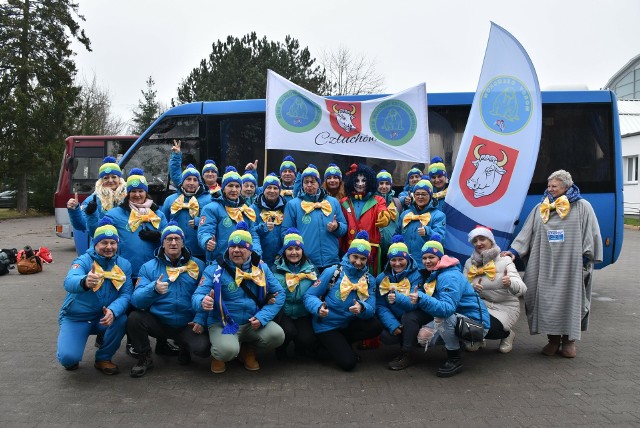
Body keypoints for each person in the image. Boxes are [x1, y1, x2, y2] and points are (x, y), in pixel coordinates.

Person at [503, 170, 602, 358]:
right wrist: (514, 252)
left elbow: (592, 234)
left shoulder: (583, 207)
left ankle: (569, 341)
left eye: (554, 186)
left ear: (566, 187)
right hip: (544, 264)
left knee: (571, 302)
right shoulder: (541, 207)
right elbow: (526, 233)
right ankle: (553, 340)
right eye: (548, 186)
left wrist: (584, 260)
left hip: (571, 267)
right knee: (546, 302)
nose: (550, 189)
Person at [193, 222, 285, 373]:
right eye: (232, 247)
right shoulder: (215, 269)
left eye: (241, 247)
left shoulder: (262, 268)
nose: (236, 250)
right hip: (226, 323)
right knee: (226, 351)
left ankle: (248, 349)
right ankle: (220, 355)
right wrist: (202, 301)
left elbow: (280, 293)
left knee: (277, 335)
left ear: (250, 249)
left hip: (252, 322)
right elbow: (197, 295)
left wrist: (263, 317)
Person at [127, 222, 209, 377]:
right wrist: (153, 290)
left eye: (177, 239)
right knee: (134, 318)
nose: (173, 242)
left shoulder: (198, 265)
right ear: (162, 242)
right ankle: (144, 356)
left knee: (204, 349)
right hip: (160, 322)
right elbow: (136, 300)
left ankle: (184, 346)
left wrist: (200, 319)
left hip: (187, 323)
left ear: (183, 242)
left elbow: (205, 295)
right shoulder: (148, 267)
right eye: (169, 239)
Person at [56, 217, 133, 374]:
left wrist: (113, 310)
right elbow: (69, 281)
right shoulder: (83, 261)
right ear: (95, 244)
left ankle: (103, 358)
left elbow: (126, 294)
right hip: (78, 317)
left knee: (122, 319)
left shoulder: (124, 265)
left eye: (113, 243)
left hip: (103, 317)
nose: (109, 247)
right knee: (68, 359)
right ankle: (71, 355)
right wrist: (85, 281)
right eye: (104, 243)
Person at [410, 235, 490, 377]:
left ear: (440, 258)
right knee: (424, 337)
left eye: (431, 257)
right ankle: (458, 344)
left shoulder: (449, 276)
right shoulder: (435, 274)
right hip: (458, 318)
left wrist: (421, 298)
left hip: (476, 325)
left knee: (442, 317)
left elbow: (446, 309)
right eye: (424, 258)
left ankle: (455, 357)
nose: (427, 261)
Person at [303, 231, 382, 371]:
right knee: (348, 364)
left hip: (347, 324)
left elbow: (371, 308)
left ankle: (342, 345)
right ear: (348, 255)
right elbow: (309, 296)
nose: (358, 262)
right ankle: (318, 348)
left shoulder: (370, 279)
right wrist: (318, 307)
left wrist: (362, 307)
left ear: (367, 260)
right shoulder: (333, 272)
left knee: (375, 326)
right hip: (328, 325)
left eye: (363, 259)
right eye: (355, 257)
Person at [463, 226, 526, 353]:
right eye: (475, 241)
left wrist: (510, 283)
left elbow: (522, 289)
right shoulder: (469, 262)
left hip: (504, 306)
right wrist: (471, 287)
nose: (478, 243)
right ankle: (478, 338)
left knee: (490, 329)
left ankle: (508, 335)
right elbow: (462, 287)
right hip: (480, 305)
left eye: (482, 239)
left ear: (491, 241)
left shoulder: (505, 260)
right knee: (458, 320)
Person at [376, 235, 430, 370]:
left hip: (412, 315)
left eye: (401, 259)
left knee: (409, 317)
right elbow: (380, 305)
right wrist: (392, 324)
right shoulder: (381, 278)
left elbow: (414, 304)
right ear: (389, 261)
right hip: (395, 317)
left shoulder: (417, 275)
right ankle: (407, 340)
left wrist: (398, 298)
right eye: (393, 260)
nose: (397, 263)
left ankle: (407, 353)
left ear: (407, 258)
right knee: (385, 336)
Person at [282, 164, 347, 272]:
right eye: (306, 182)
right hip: (305, 263)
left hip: (332, 261)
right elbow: (285, 232)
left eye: (313, 182)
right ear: (302, 184)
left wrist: (337, 227)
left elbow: (344, 227)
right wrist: (295, 253)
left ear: (319, 183)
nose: (309, 185)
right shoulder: (293, 205)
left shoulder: (333, 202)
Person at [105, 168, 168, 279]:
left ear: (146, 193)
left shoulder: (159, 214)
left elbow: (171, 237)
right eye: (133, 191)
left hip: (152, 272)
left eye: (140, 191)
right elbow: (98, 237)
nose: (137, 194)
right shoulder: (114, 214)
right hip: (125, 272)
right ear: (128, 193)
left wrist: (159, 235)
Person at [198, 166, 262, 264]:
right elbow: (204, 231)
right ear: (223, 188)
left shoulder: (246, 210)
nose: (234, 189)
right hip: (219, 261)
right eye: (230, 186)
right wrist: (207, 241)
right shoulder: (211, 208)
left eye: (237, 186)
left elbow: (253, 235)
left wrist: (256, 252)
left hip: (243, 262)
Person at [271, 228, 318, 359]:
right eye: (289, 249)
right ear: (284, 251)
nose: (294, 252)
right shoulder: (275, 269)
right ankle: (281, 349)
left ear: (302, 251)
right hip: (283, 312)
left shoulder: (312, 269)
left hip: (302, 312)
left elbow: (317, 291)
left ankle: (300, 347)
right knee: (288, 331)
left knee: (307, 339)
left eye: (297, 249)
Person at [339, 163, 390, 276]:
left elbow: (382, 210)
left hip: (370, 254)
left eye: (364, 180)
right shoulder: (344, 202)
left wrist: (385, 216)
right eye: (357, 180)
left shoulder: (378, 200)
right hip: (350, 252)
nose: (360, 184)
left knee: (369, 283)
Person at [66, 156, 127, 240]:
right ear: (101, 181)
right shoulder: (93, 200)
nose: (110, 180)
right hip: (102, 246)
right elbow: (81, 225)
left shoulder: (129, 197)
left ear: (119, 179)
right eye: (106, 178)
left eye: (114, 177)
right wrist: (75, 210)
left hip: (124, 245)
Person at [161, 164, 211, 259]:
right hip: (176, 252)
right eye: (188, 179)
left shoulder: (209, 200)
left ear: (199, 183)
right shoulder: (170, 200)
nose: (191, 183)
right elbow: (163, 224)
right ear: (182, 181)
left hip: (200, 252)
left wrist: (199, 222)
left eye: (195, 180)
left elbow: (213, 223)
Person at [397, 177, 446, 263]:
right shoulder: (405, 214)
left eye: (424, 194)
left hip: (426, 264)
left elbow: (441, 239)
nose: (420, 197)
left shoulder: (438, 215)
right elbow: (397, 233)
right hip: (405, 263)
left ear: (430, 196)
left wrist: (428, 232)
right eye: (417, 194)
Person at [251, 173, 286, 268]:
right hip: (260, 259)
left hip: (282, 260)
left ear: (279, 190)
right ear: (263, 189)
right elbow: (250, 232)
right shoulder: (252, 209)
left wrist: (282, 252)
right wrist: (263, 227)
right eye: (269, 187)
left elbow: (290, 232)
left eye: (275, 188)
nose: (272, 191)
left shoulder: (286, 208)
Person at [375, 169, 401, 262]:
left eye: (387, 183)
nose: (384, 186)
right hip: (376, 250)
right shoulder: (371, 202)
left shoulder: (397, 202)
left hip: (393, 249)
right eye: (381, 183)